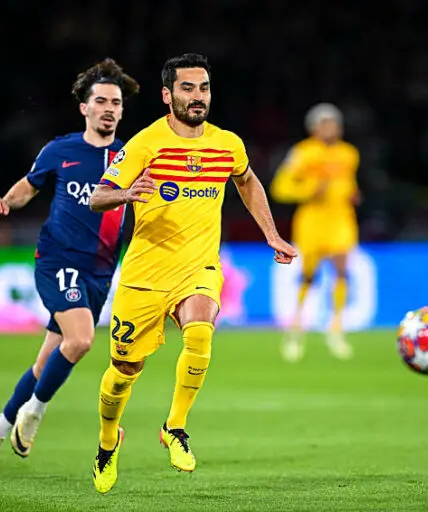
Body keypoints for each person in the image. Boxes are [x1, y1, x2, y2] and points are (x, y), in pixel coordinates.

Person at [88, 53, 297, 494]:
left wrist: (272, 234)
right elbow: (97, 197)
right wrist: (126, 193)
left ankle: (175, 426)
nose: (198, 96)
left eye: (203, 88)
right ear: (167, 95)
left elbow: (247, 181)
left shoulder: (227, 144)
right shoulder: (146, 144)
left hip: (198, 266)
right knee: (124, 370)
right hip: (145, 273)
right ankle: (108, 442)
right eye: (187, 88)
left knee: (200, 331)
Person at [0, 59, 140, 476]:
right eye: (100, 101)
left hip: (101, 271)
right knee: (81, 340)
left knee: (45, 362)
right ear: (84, 107)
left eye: (115, 103)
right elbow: (29, 186)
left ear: (122, 111)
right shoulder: (60, 151)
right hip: (58, 259)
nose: (108, 109)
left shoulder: (132, 157)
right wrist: (5, 202)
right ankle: (34, 412)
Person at [269, 103, 361, 362]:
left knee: (342, 271)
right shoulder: (303, 153)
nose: (331, 127)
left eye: (334, 123)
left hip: (341, 219)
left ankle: (336, 330)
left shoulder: (349, 154)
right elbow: (280, 188)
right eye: (325, 123)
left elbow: (348, 183)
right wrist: (309, 190)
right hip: (312, 221)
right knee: (308, 276)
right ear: (314, 127)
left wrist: (352, 193)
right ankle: (296, 330)